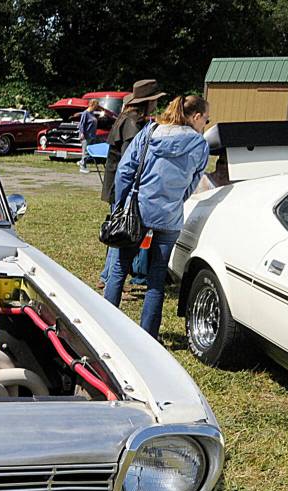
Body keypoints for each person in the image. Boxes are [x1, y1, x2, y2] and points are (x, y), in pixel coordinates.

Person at [102, 94, 210, 340]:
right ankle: (148, 335)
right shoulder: (200, 145)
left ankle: (106, 326)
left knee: (119, 270)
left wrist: (121, 204)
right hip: (170, 215)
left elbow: (125, 170)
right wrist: (175, 200)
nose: (206, 123)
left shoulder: (150, 132)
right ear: (195, 117)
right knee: (156, 278)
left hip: (137, 209)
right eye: (206, 118)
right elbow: (193, 182)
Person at [99, 79, 166, 288]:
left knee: (118, 230)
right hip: (122, 185)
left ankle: (106, 276)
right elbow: (131, 160)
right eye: (155, 100)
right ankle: (112, 279)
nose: (157, 104)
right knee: (123, 232)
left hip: (118, 184)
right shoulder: (132, 122)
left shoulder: (128, 118)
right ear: (147, 101)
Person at [77, 100, 100, 173]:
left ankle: (81, 162)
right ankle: (83, 167)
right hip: (85, 135)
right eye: (96, 105)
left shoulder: (92, 113)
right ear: (92, 105)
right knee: (85, 151)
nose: (97, 107)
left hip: (91, 135)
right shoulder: (85, 113)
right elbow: (82, 124)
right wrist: (82, 133)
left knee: (89, 151)